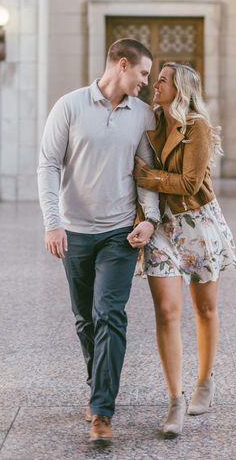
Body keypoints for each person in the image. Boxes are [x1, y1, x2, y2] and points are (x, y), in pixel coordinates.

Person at [37, 39, 161, 442]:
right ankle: (99, 387)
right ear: (122, 65)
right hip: (74, 232)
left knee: (110, 314)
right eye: (143, 73)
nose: (146, 81)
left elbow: (146, 174)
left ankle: (102, 412)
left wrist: (151, 220)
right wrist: (52, 223)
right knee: (85, 318)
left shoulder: (142, 115)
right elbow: (48, 164)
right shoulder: (69, 106)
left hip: (119, 234)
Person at [131, 62, 236, 438]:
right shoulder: (148, 123)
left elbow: (191, 183)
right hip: (161, 227)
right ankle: (174, 400)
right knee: (166, 311)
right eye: (156, 78)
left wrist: (148, 176)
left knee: (205, 308)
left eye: (162, 80)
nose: (155, 84)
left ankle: (204, 382)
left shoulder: (198, 127)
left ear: (180, 89)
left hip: (195, 224)